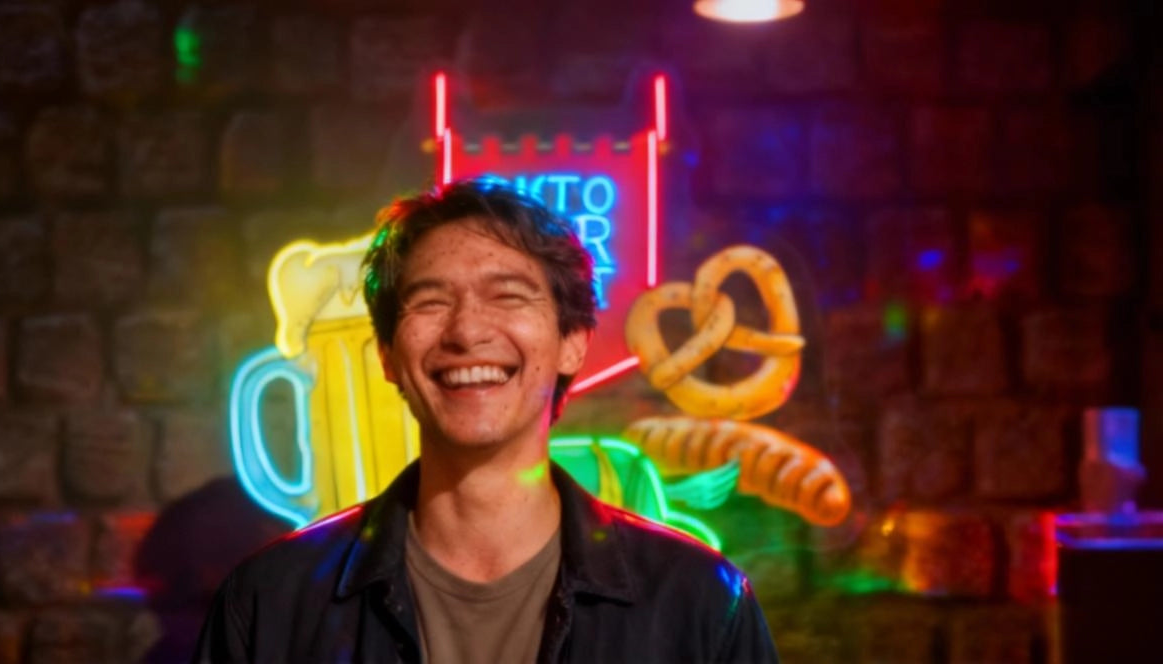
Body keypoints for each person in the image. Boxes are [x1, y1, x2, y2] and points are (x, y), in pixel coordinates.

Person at [194, 179, 778, 663]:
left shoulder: (699, 604)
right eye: (430, 301)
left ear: (573, 342)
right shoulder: (270, 603)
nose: (467, 331)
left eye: (508, 297)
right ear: (388, 355)